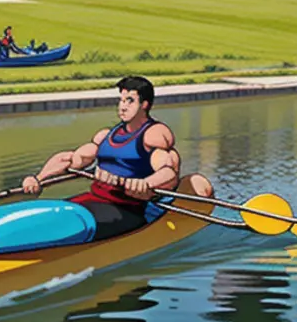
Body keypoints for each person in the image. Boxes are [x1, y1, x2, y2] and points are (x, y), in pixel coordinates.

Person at [19, 76, 214, 240]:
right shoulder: (105, 136)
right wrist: (39, 178)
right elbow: (71, 159)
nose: (122, 107)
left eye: (129, 101)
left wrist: (144, 183)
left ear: (144, 104)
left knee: (67, 223)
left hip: (128, 208)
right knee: (53, 214)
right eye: (121, 100)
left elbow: (168, 172)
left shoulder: (154, 135)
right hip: (96, 200)